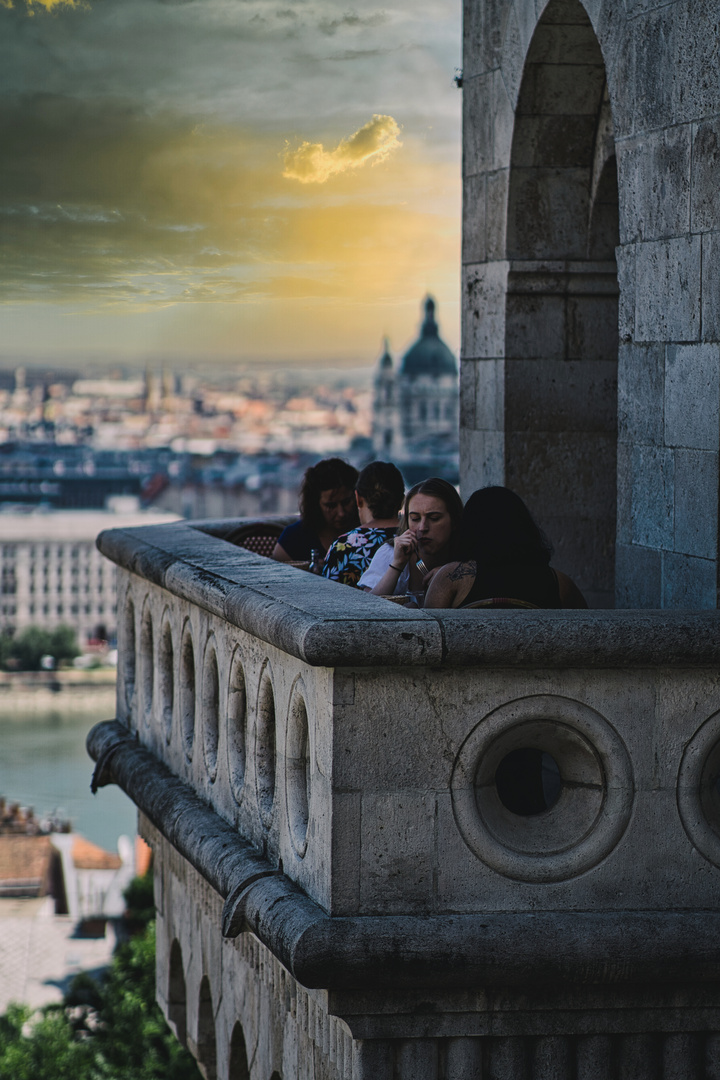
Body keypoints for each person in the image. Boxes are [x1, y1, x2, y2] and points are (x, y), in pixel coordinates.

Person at [424, 485, 587, 609]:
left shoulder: (451, 577)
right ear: (524, 527)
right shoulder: (560, 582)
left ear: (469, 529)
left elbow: (428, 636)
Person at [359, 477, 463, 598]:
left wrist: (449, 573)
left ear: (454, 520)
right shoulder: (390, 553)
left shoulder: (466, 561)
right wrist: (397, 565)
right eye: (415, 518)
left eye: (434, 518)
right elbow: (367, 605)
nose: (422, 527)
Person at [322, 461, 405, 587]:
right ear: (402, 501)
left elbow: (327, 597)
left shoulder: (343, 546)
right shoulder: (414, 538)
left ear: (358, 499)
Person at [271, 458, 359, 563]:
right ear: (315, 504)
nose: (341, 513)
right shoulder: (294, 538)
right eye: (331, 506)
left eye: (346, 502)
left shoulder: (368, 532)